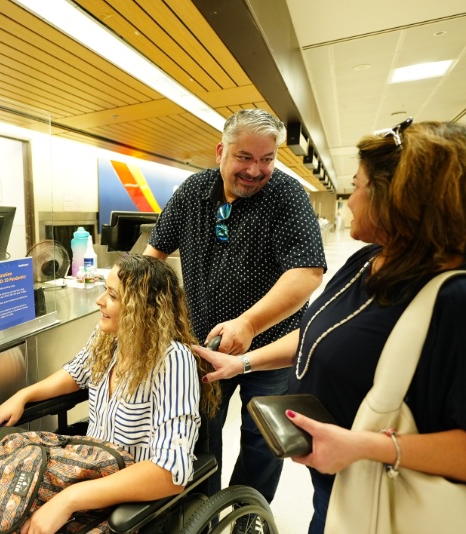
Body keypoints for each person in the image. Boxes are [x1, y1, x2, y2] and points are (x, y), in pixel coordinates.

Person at [194, 119, 466, 532]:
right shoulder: (371, 261)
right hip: (339, 496)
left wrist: (363, 448)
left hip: (392, 506)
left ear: (401, 199)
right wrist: (244, 363)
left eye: (357, 186)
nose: (350, 202)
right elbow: (316, 332)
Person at [0, 254, 220, 534]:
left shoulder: (172, 361)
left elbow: (170, 473)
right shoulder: (109, 338)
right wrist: (24, 395)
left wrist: (68, 500)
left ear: (143, 309)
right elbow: (75, 373)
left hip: (127, 498)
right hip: (85, 469)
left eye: (112, 295)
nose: (100, 301)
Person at [144, 108, 327, 501]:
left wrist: (249, 323)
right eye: (245, 157)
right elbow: (153, 255)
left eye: (267, 158)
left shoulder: (286, 195)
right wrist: (127, 296)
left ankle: (246, 514)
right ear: (220, 152)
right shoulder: (193, 192)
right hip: (203, 348)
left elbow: (307, 272)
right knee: (199, 436)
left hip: (271, 349)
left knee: (264, 442)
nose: (256, 170)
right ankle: (204, 512)